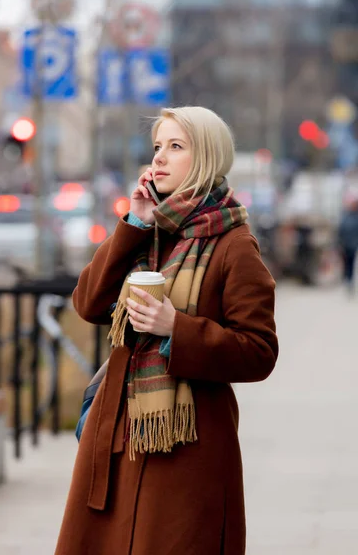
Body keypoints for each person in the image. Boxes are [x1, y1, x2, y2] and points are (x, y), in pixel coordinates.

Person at [55, 106, 278, 555]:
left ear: (206, 158)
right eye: (158, 146)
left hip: (186, 447)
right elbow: (89, 303)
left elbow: (259, 351)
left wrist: (177, 327)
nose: (159, 158)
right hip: (118, 438)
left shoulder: (234, 244)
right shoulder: (148, 230)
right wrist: (134, 223)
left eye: (176, 147)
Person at [338, 197, 358, 293]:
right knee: (345, 263)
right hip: (345, 244)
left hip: (353, 245)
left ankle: (349, 281)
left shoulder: (355, 217)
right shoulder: (346, 216)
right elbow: (341, 230)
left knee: (351, 263)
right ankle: (346, 279)